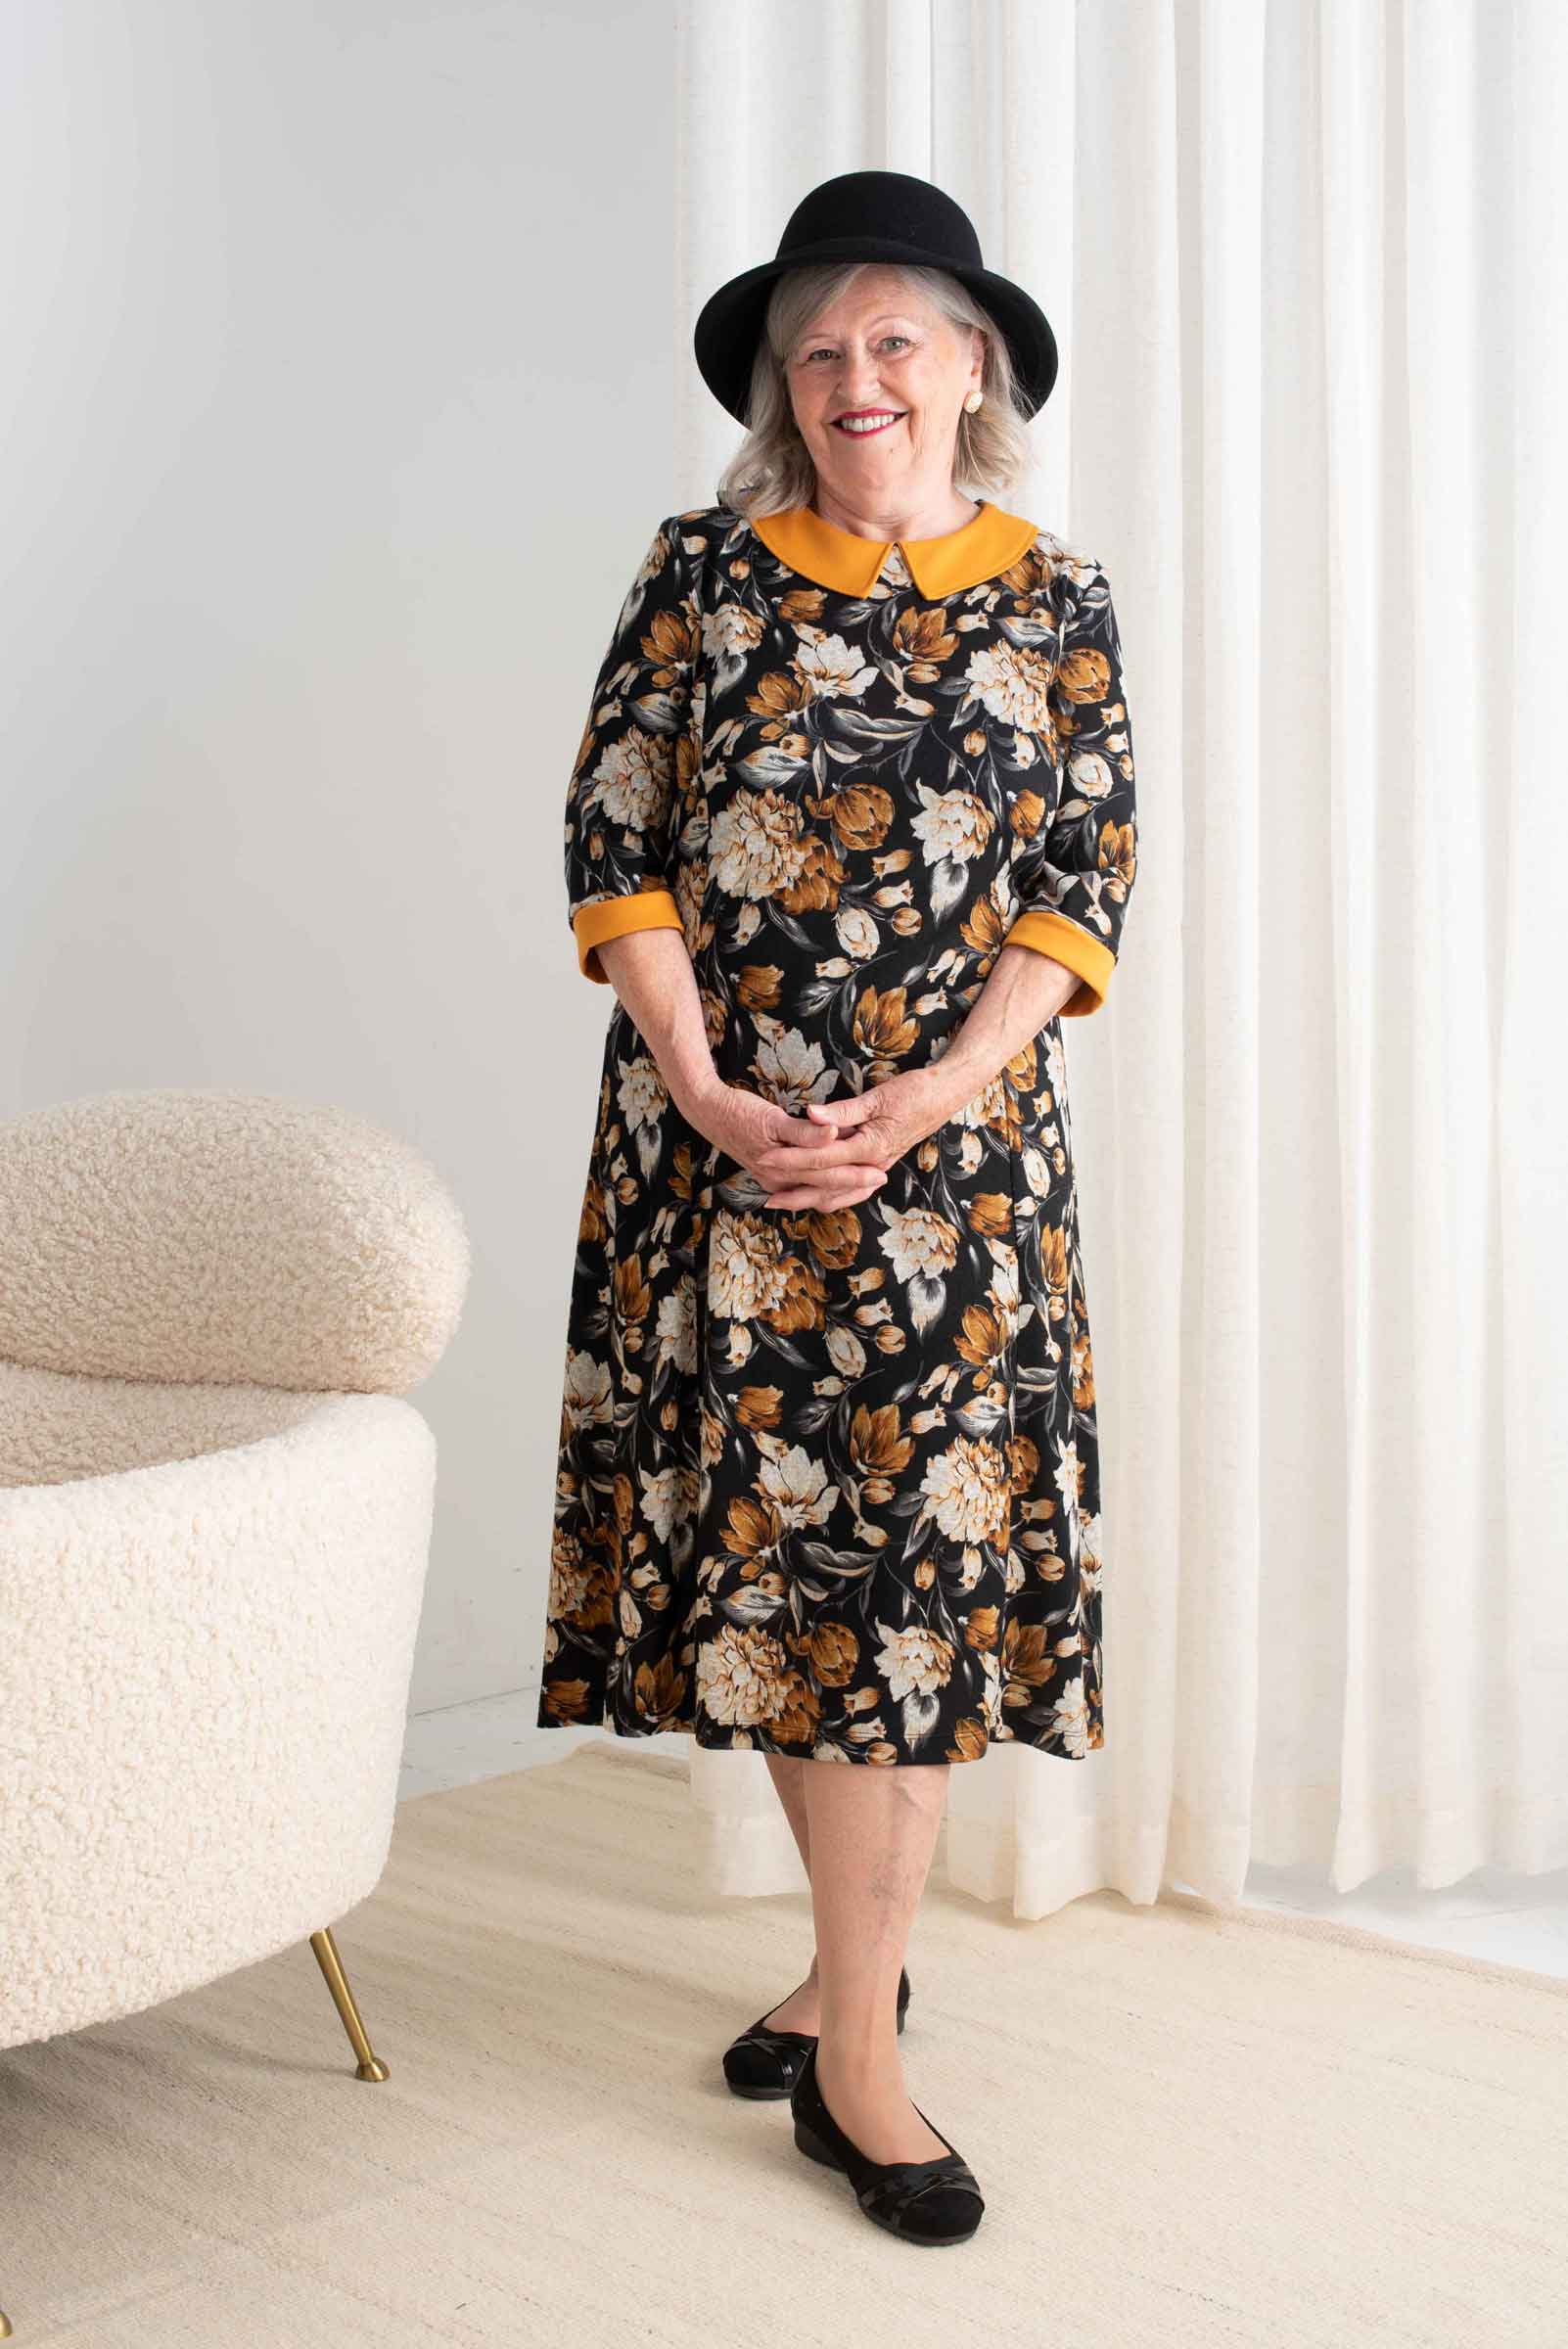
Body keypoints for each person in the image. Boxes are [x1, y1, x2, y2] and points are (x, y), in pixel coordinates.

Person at [536, 168, 1138, 2245]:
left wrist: (936, 1093)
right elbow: (615, 839)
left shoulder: (1057, 599)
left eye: (892, 339)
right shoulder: (700, 574)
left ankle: (852, 2036)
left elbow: (1080, 890)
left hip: (953, 1175)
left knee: (910, 1593)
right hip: (722, 1169)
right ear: (781, 393)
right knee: (803, 1597)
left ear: (971, 367)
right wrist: (707, 1086)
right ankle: (855, 2007)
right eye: (817, 351)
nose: (852, 376)